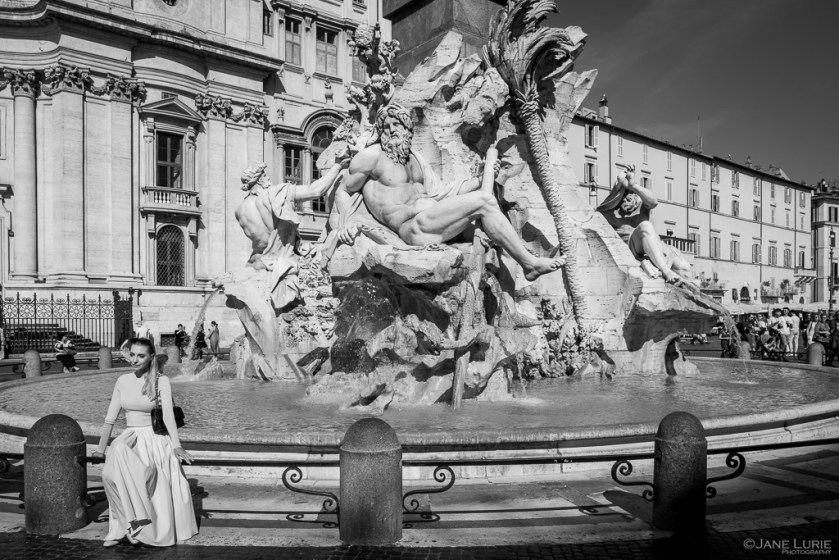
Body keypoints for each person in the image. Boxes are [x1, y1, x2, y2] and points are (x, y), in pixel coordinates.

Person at [336, 103, 565, 282]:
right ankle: (529, 264)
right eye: (385, 126)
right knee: (484, 202)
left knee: (481, 215)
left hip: (431, 216)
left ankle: (520, 269)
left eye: (397, 124)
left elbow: (445, 195)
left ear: (407, 129)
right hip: (412, 228)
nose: (391, 130)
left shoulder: (415, 160)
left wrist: (482, 177)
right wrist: (345, 222)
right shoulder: (372, 156)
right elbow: (343, 190)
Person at [91, 338, 197, 548]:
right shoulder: (122, 380)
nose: (135, 359)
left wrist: (176, 444)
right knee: (109, 474)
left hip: (153, 438)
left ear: (150, 358)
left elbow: (167, 415)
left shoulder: (161, 380)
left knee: (141, 476)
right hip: (130, 437)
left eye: (141, 355)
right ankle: (124, 525)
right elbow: (110, 418)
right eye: (132, 354)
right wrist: (101, 449)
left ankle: (136, 528)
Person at [235, 151, 350, 310]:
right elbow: (315, 190)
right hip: (280, 265)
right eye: (266, 177)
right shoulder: (274, 194)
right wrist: (337, 166)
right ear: (260, 180)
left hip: (256, 264)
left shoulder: (240, 209)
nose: (269, 179)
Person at [597, 165, 691, 285]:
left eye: (631, 194)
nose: (628, 198)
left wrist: (633, 185)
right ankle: (666, 272)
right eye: (624, 194)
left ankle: (691, 294)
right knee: (645, 226)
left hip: (655, 244)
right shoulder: (609, 213)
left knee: (684, 267)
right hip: (632, 247)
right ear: (617, 196)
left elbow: (654, 202)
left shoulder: (642, 205)